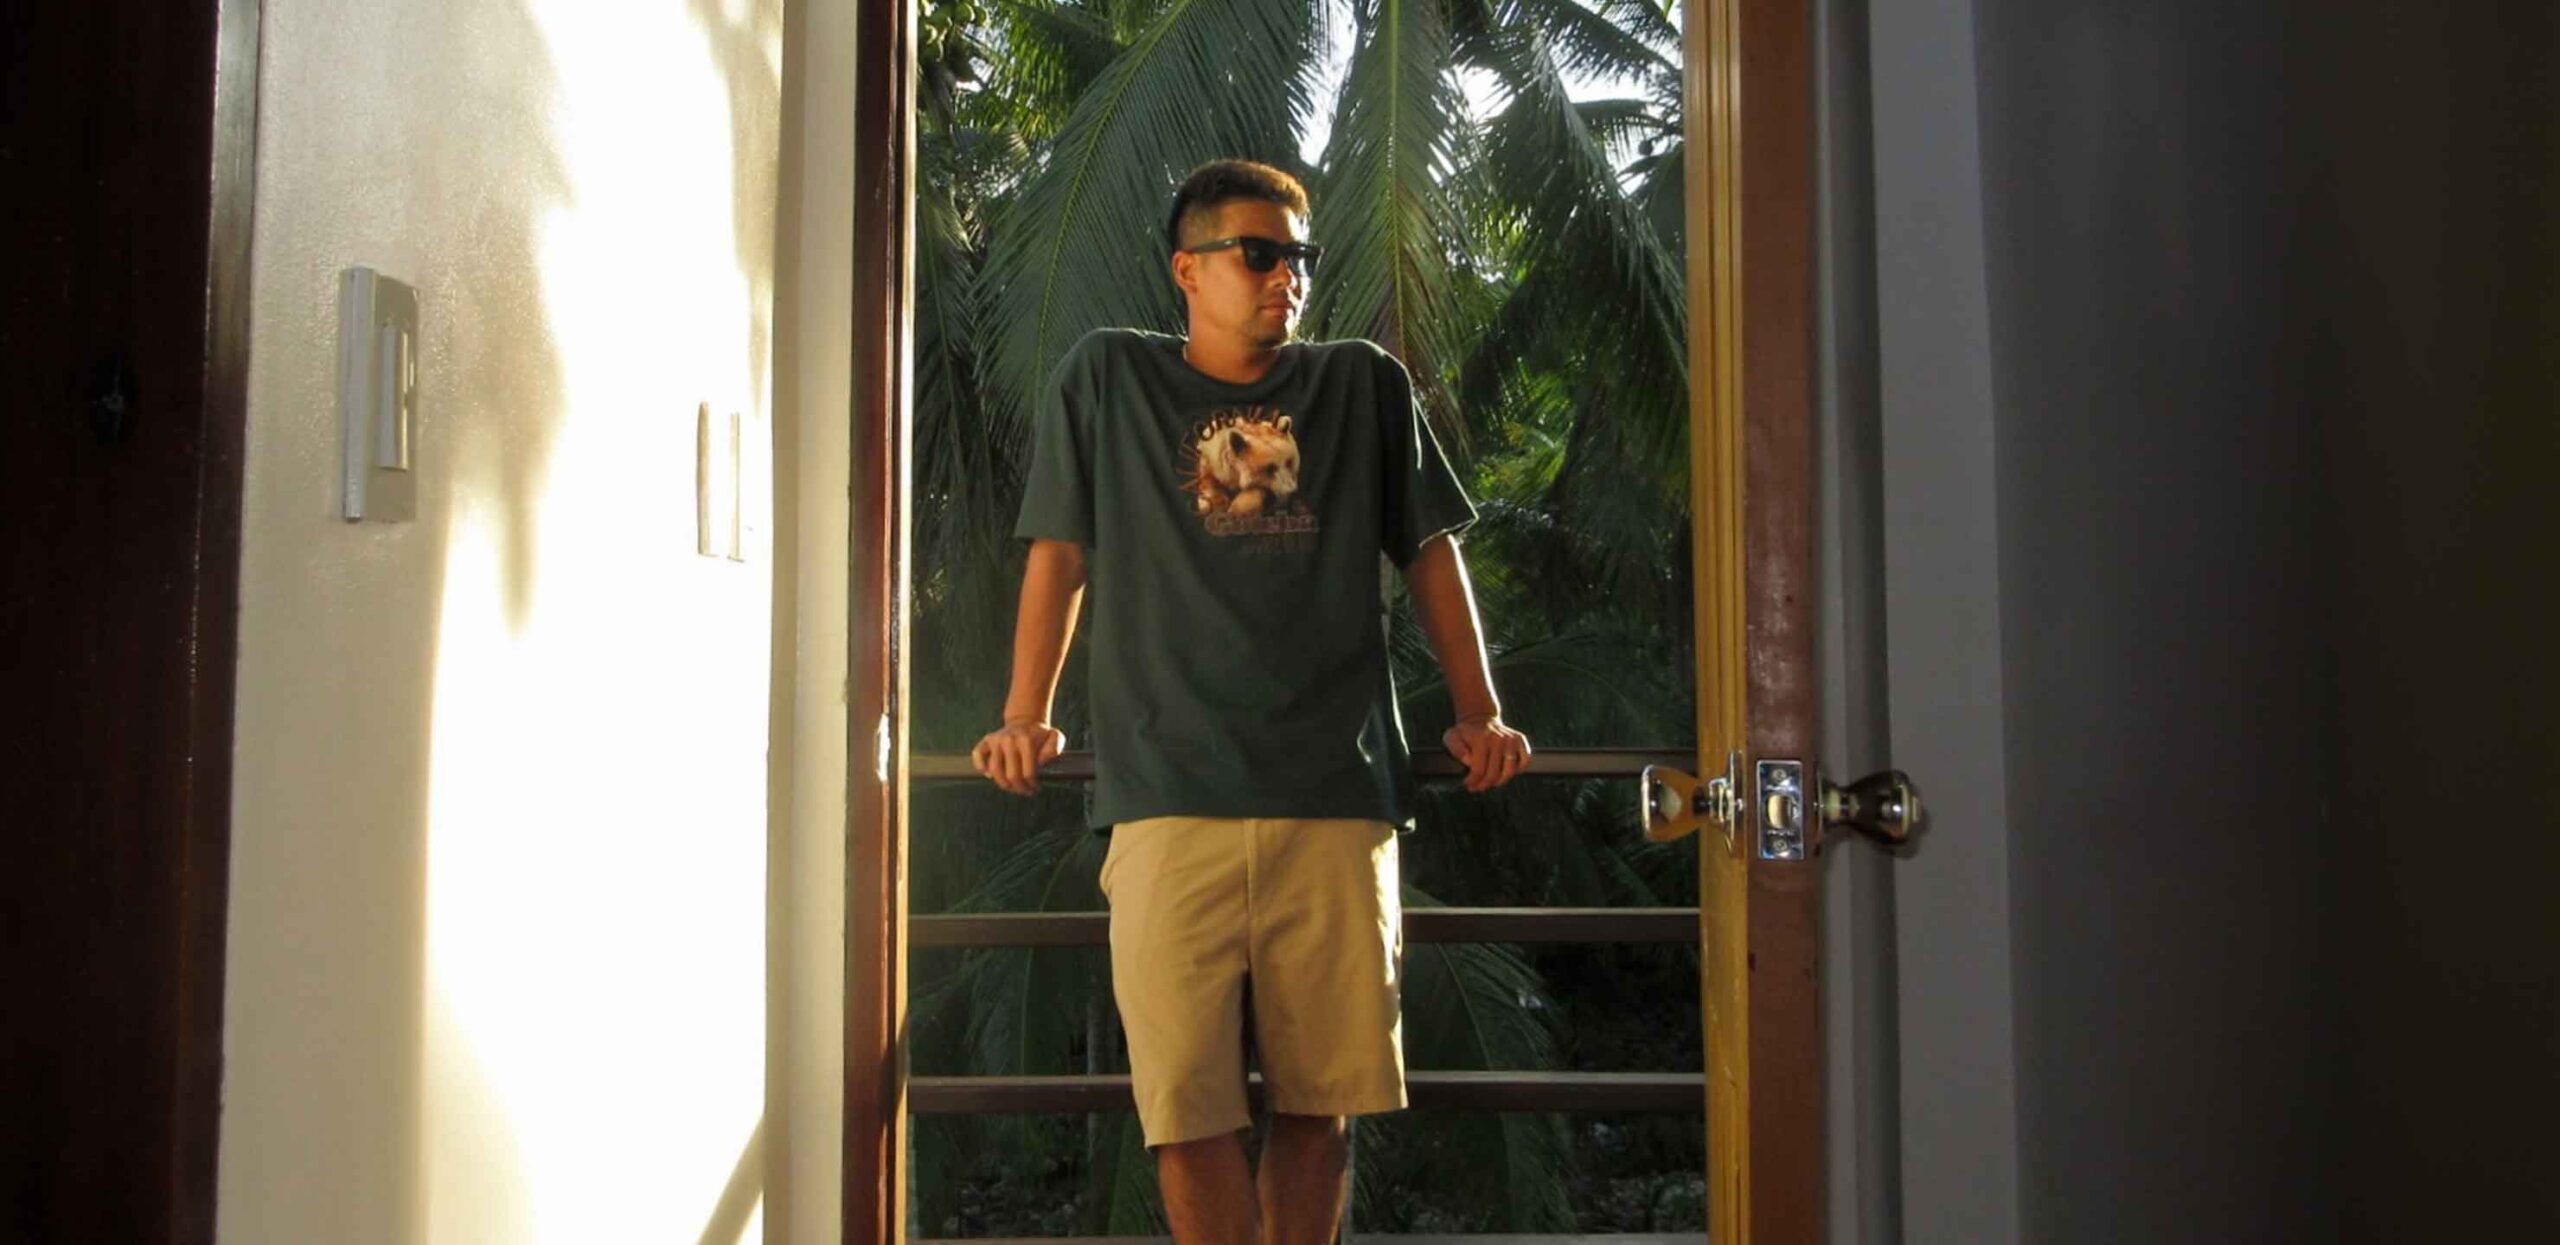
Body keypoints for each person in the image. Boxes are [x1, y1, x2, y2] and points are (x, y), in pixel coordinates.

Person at [971, 158, 1533, 1245]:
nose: (1289, 277)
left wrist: (1482, 710)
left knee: (1323, 1108)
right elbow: (1059, 552)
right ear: (1187, 269)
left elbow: (1429, 550)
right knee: (1185, 1115)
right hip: (1165, 797)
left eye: (1299, 257)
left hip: (1334, 799)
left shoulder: (1362, 385)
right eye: (1260, 254)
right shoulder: (1108, 378)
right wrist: (1022, 714)